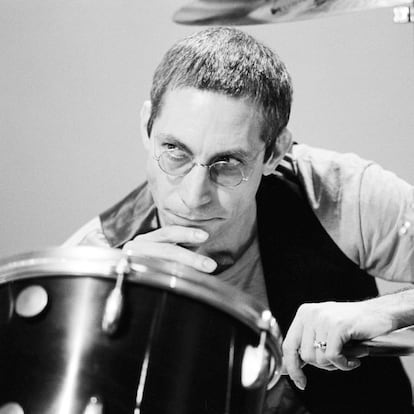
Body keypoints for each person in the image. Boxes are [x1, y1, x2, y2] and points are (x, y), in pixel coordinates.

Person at [65, 27, 414, 413]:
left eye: (227, 163)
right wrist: (115, 312)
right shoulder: (91, 265)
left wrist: (379, 311)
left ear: (274, 152)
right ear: (147, 126)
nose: (194, 195)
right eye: (175, 152)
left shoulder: (339, 195)